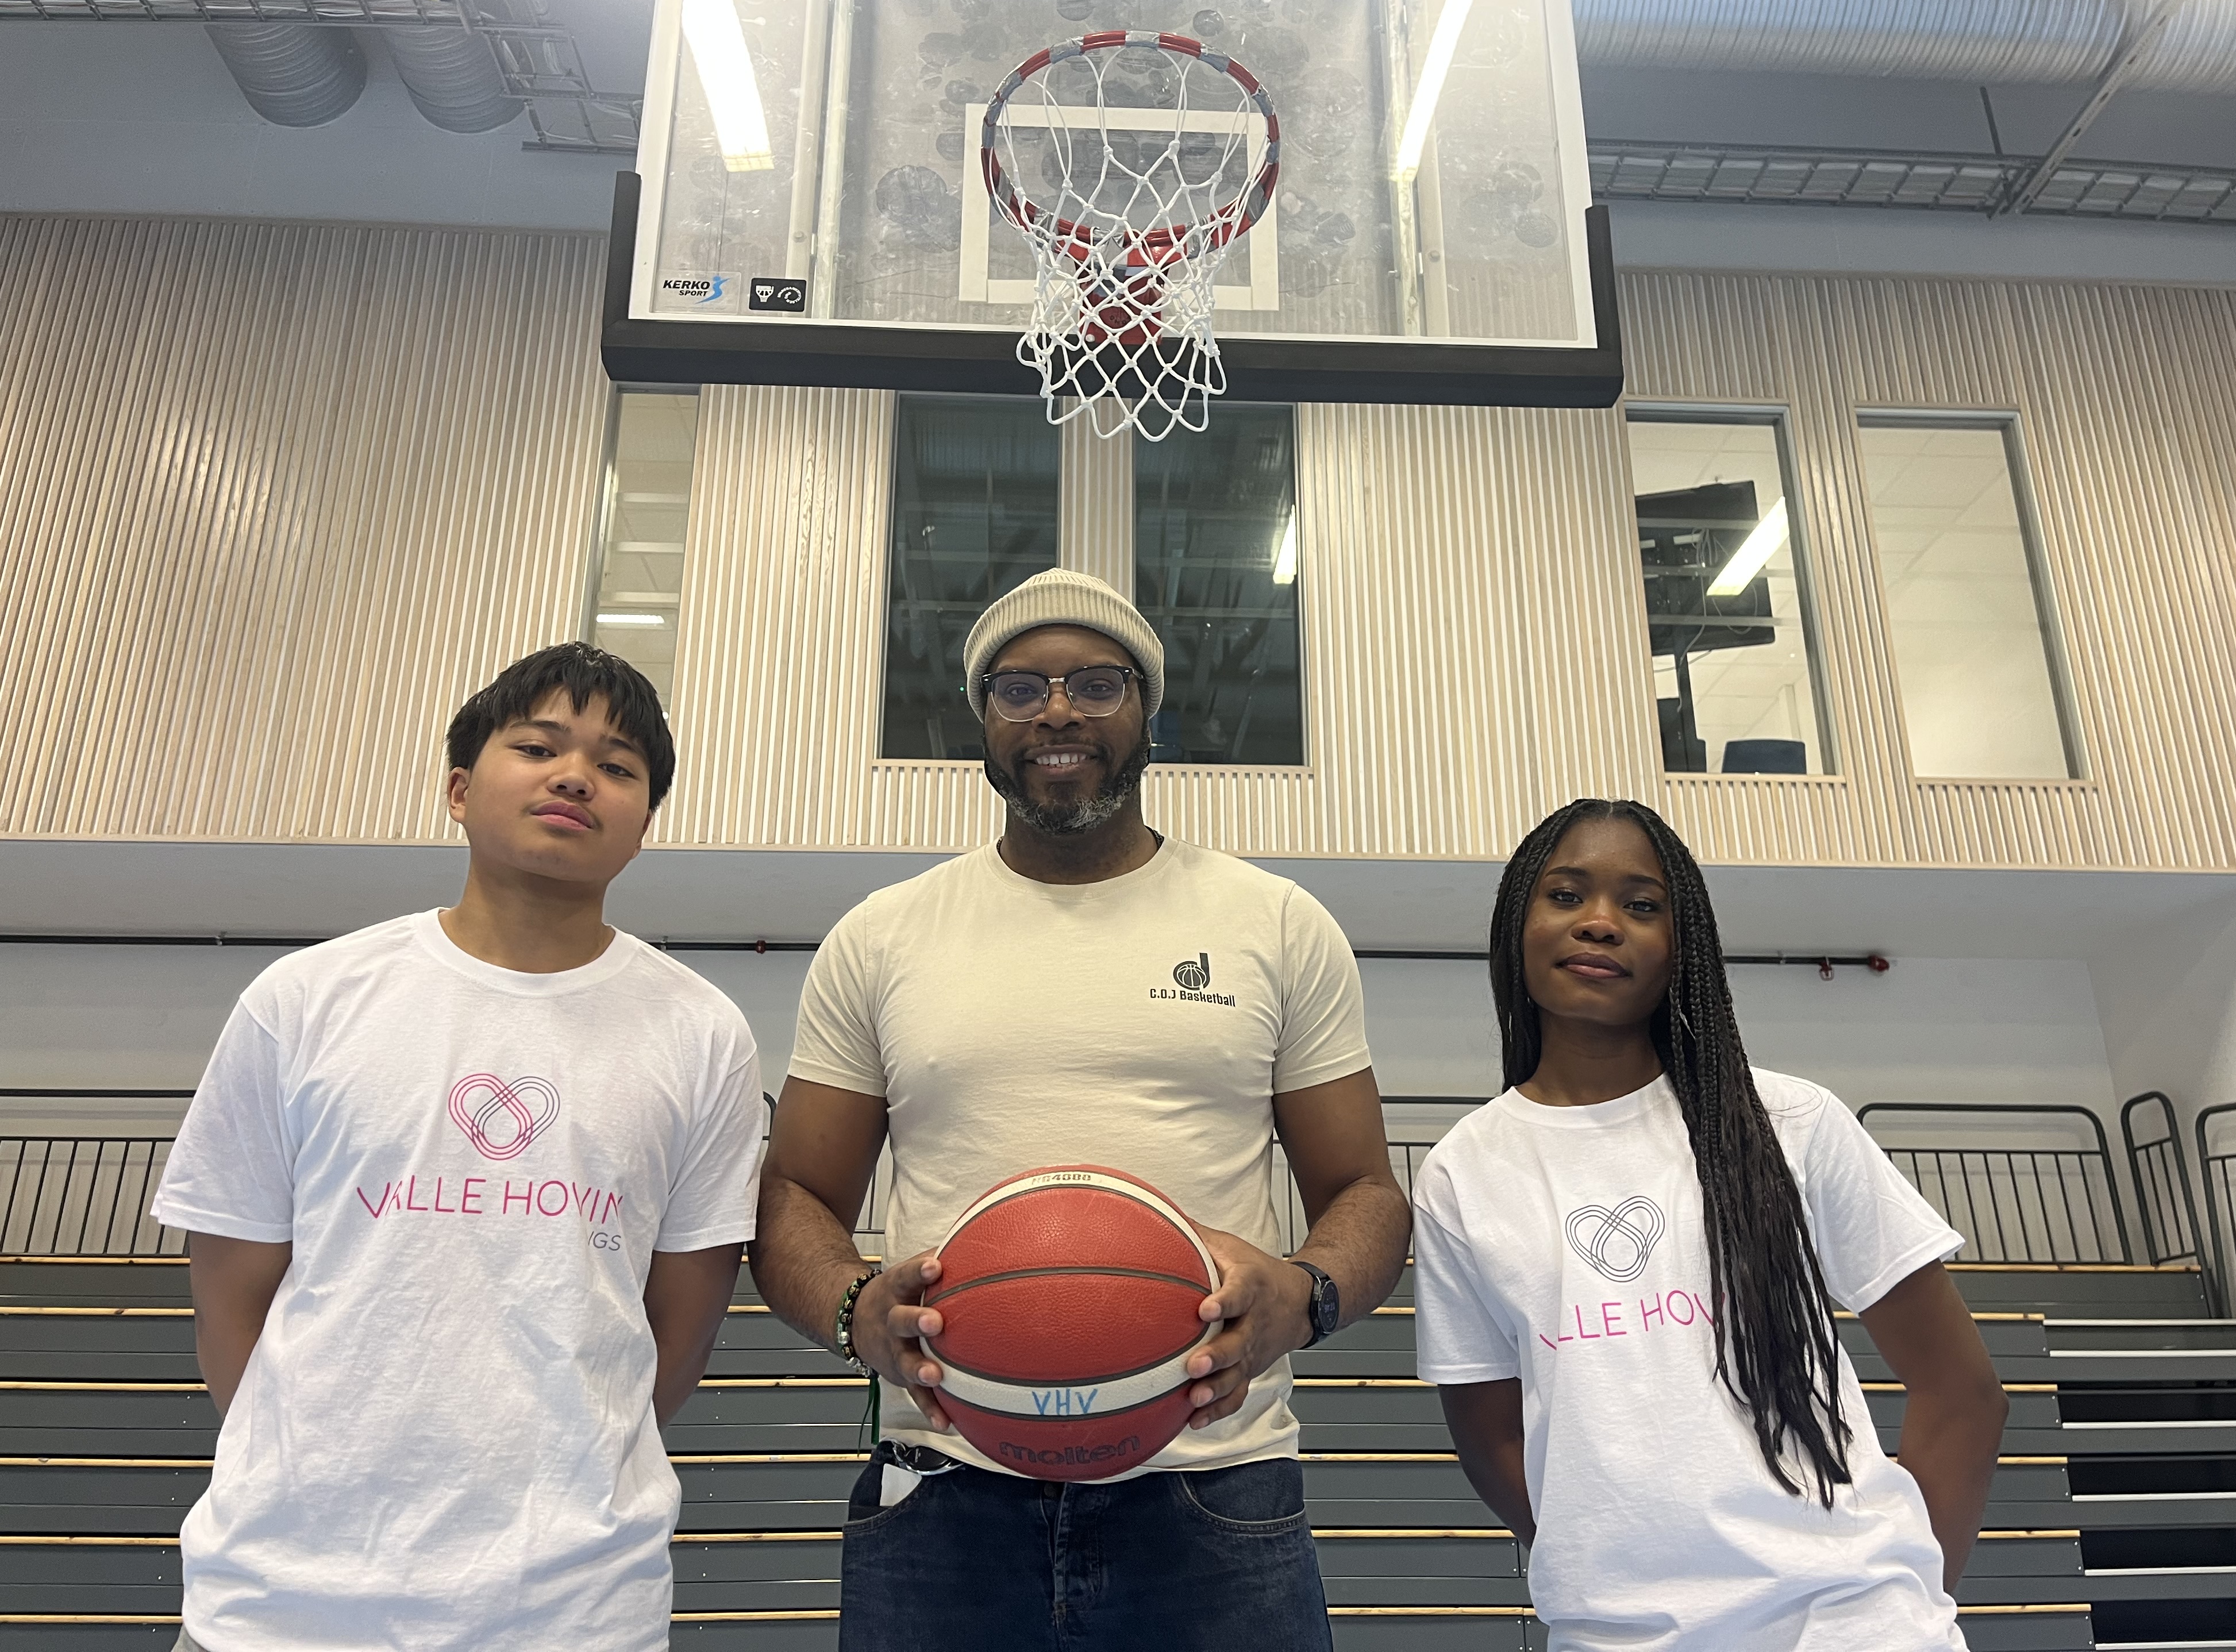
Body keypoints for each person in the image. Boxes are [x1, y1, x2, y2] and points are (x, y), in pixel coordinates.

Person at [751, 568, 1411, 1652]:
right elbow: (794, 1195)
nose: (1058, 712)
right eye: (1020, 689)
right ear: (983, 721)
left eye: (1097, 683)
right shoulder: (882, 936)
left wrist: (1305, 1295)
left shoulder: (1277, 923)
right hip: (944, 1492)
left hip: (1213, 1486)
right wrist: (853, 1306)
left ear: (1148, 711)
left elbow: (1367, 1192)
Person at [151, 644, 765, 1652]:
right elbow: (231, 1301)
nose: (576, 776)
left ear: (644, 825)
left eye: (617, 766)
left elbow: (678, 1330)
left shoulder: (701, 1035)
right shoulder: (304, 1001)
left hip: (575, 1610)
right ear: (458, 788)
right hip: (280, 1603)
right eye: (539, 747)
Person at [1414, 798, 2010, 1651]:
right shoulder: (1462, 1174)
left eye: (1641, 905)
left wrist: (1904, 1602)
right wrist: (1623, 1581)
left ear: (1680, 946)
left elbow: (1962, 1391)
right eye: (1566, 895)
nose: (1601, 922)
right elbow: (1491, 1440)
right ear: (1517, 924)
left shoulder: (1790, 1121)